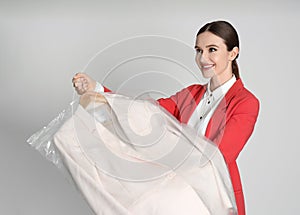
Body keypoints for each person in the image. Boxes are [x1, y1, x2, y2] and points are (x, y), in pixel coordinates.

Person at [72, 20, 259, 215]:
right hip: (176, 199)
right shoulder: (191, 93)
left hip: (215, 200)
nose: (203, 58)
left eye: (212, 49)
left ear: (233, 53)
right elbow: (146, 112)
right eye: (198, 50)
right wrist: (98, 91)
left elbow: (219, 154)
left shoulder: (246, 102)